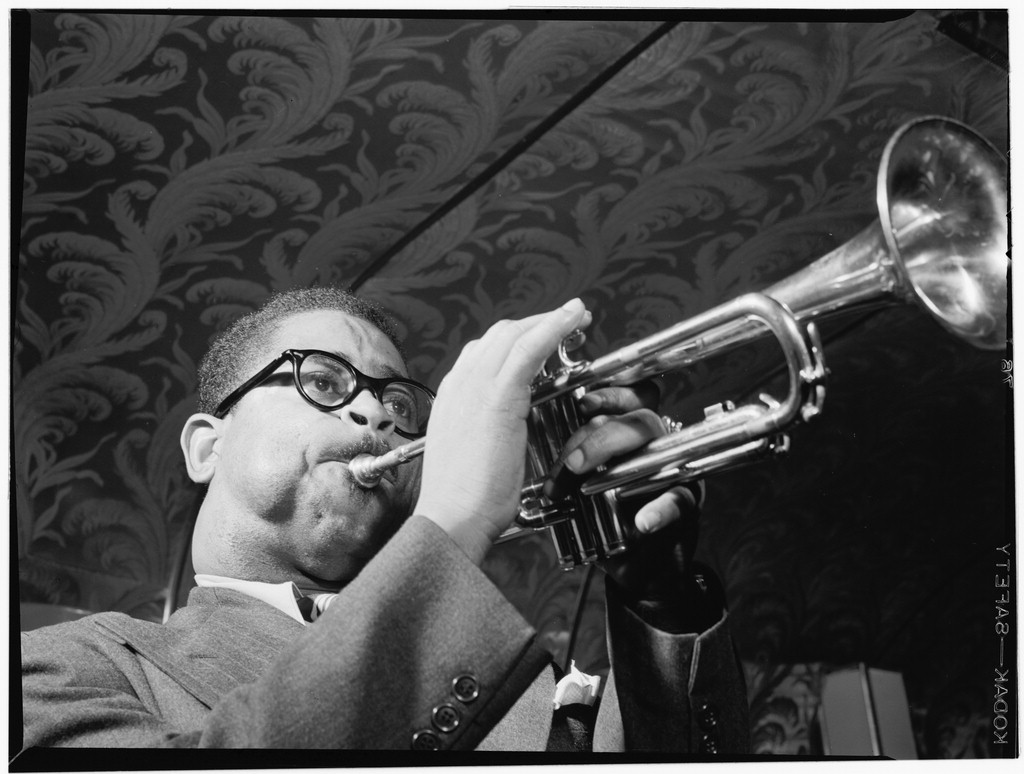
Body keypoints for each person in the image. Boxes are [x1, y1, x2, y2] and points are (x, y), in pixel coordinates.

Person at [19, 286, 750, 753]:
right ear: (208, 446)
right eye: (324, 382)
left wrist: (659, 593)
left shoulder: (525, 682)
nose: (376, 412)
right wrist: (453, 525)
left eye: (400, 405)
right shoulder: (61, 668)